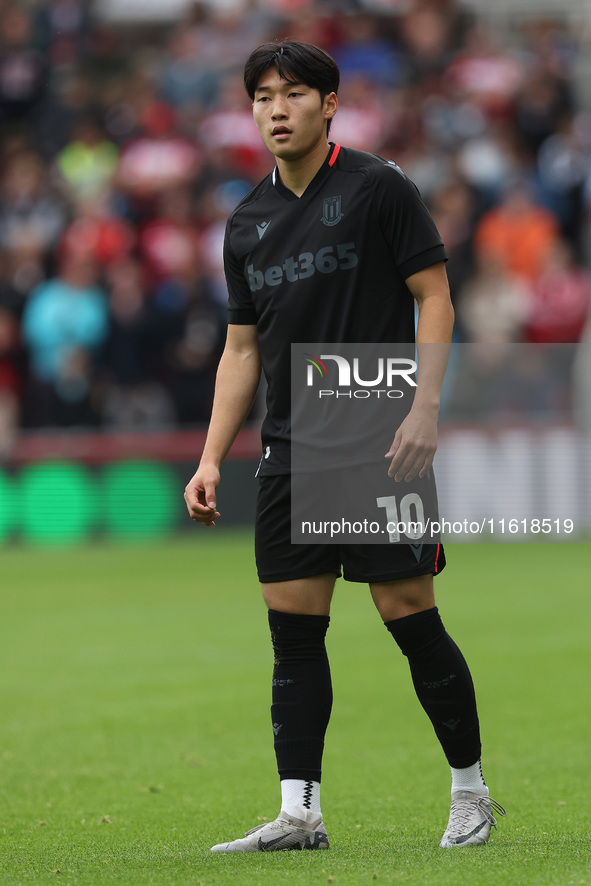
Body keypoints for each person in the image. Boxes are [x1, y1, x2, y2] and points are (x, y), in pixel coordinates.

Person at [184, 39, 504, 853]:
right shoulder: (246, 222)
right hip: (290, 452)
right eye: (262, 96)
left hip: (377, 442)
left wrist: (424, 408)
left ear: (329, 104)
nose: (276, 108)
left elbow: (433, 298)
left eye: (292, 93)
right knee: (293, 633)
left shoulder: (377, 187)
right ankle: (300, 812)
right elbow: (242, 351)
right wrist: (211, 455)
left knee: (408, 616)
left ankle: (470, 791)